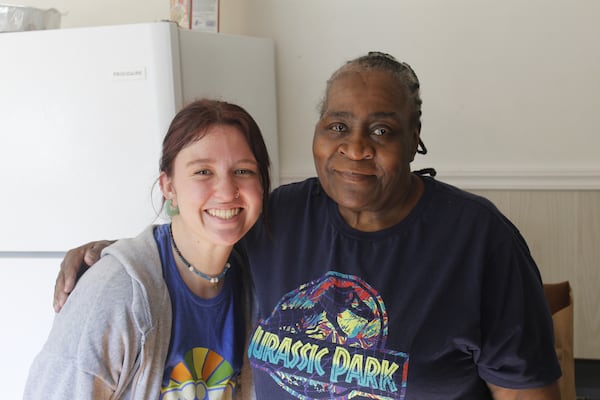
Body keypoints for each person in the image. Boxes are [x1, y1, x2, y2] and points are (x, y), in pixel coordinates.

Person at [53, 52, 562, 399]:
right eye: (338, 126)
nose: (356, 148)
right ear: (317, 134)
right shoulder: (282, 217)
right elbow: (203, 239)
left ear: (415, 141)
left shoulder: (478, 241)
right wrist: (116, 255)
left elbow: (525, 391)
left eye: (382, 130)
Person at [26, 99, 271, 400]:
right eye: (203, 172)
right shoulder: (116, 292)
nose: (226, 190)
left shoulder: (255, 281)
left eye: (244, 171)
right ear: (169, 187)